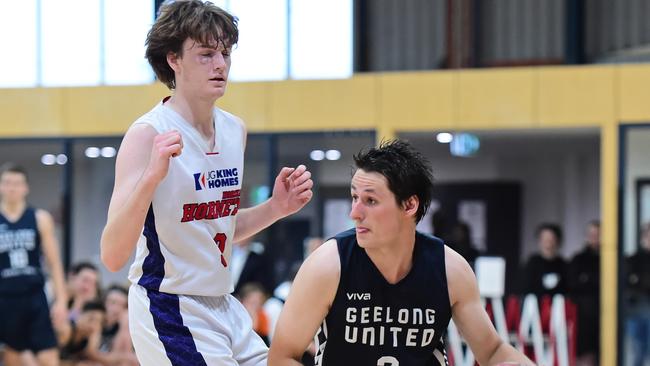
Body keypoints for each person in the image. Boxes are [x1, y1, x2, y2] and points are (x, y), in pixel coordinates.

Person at [100, 1, 313, 365]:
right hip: (168, 305)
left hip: (223, 303)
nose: (220, 64)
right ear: (174, 60)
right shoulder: (147, 134)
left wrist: (276, 208)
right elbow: (113, 254)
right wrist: (151, 177)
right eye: (206, 54)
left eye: (226, 53)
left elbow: (216, 229)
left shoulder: (234, 130)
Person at [268, 140, 532, 366]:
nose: (355, 213)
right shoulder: (327, 265)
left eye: (370, 201)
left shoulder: (450, 269)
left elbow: (492, 350)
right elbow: (281, 357)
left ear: (409, 205)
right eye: (354, 197)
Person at [0, 163, 68, 366]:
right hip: (5, 298)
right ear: (1, 186)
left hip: (35, 296)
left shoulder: (40, 218)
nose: (12, 187)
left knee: (49, 357)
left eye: (17, 183)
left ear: (25, 188)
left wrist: (62, 301)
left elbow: (54, 264)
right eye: (7, 183)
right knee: (14, 358)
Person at [567, 220, 600, 366]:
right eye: (592, 234)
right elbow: (574, 285)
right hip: (584, 315)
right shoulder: (578, 259)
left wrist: (588, 279)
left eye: (598, 234)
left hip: (607, 314)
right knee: (586, 353)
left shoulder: (613, 258)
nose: (595, 238)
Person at [625, 222, 650, 366]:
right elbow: (630, 286)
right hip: (636, 311)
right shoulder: (633, 260)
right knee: (638, 350)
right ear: (643, 238)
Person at [522, 223, 567, 296]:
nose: (548, 243)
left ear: (557, 241)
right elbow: (523, 289)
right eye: (544, 239)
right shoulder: (531, 264)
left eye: (551, 239)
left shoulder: (564, 265)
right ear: (539, 241)